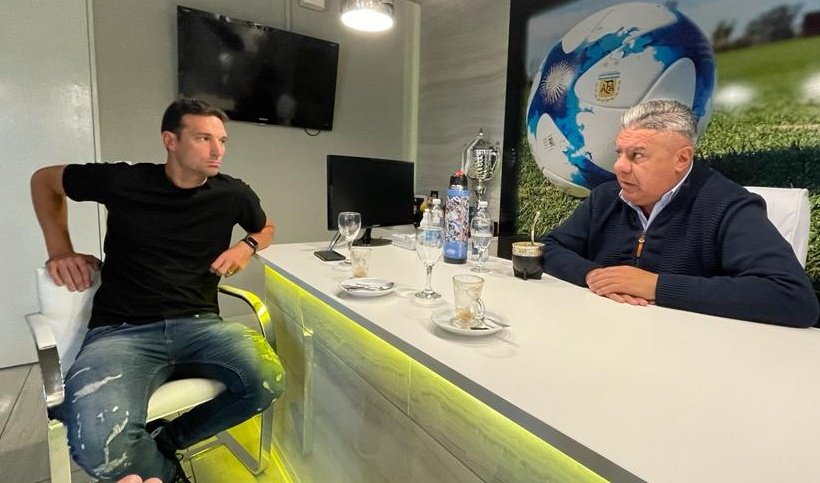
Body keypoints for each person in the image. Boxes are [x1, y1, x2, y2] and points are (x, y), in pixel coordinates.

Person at [30, 98, 285, 482]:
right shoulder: (124, 181)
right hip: (121, 331)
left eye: (222, 140)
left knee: (267, 380)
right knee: (96, 446)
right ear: (170, 140)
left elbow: (265, 228)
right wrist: (60, 249)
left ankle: (166, 441)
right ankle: (167, 474)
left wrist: (246, 246)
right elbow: (44, 180)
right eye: (203, 138)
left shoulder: (233, 194)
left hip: (200, 325)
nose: (217, 150)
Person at [541, 99, 818, 328]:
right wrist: (593, 275)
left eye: (637, 156)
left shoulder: (728, 206)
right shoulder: (607, 197)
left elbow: (793, 298)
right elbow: (549, 247)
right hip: (604, 336)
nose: (619, 167)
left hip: (692, 354)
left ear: (681, 159)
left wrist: (656, 286)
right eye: (620, 153)